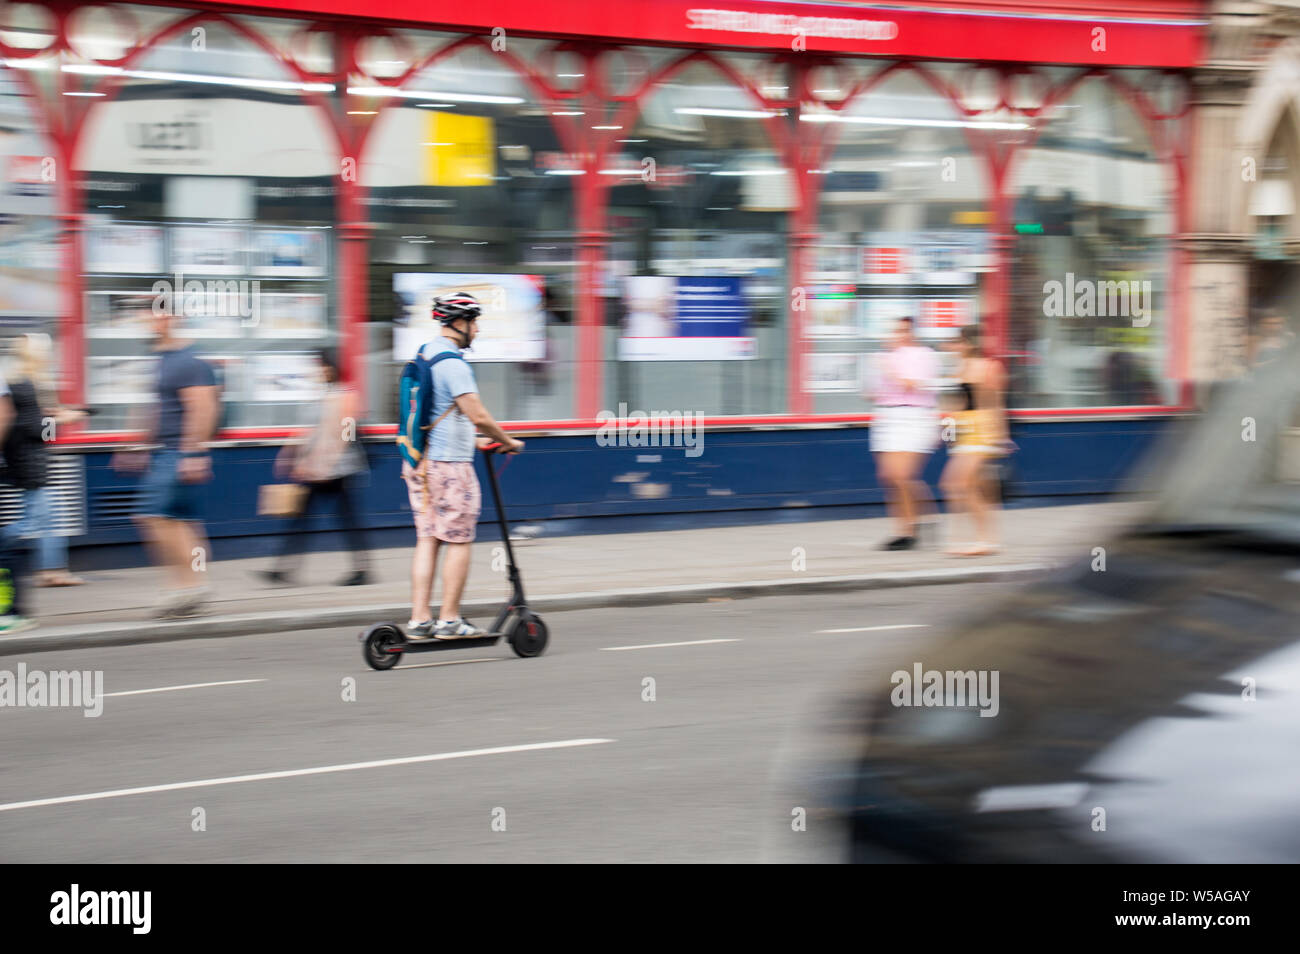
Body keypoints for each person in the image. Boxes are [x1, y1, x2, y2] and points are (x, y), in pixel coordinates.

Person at [403, 292, 523, 639]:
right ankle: (450, 620)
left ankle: (420, 619)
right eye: (473, 322)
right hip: (451, 469)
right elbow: (477, 414)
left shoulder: (426, 353)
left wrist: (474, 440)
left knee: (428, 540)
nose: (477, 329)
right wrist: (508, 441)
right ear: (459, 323)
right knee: (457, 541)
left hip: (421, 464)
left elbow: (437, 414)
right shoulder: (453, 363)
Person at [113, 309, 220, 618]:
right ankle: (195, 585)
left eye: (153, 316)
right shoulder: (163, 360)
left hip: (177, 453)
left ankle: (184, 587)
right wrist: (138, 444)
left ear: (170, 318)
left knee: (152, 516)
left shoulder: (188, 361)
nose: (147, 323)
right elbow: (157, 409)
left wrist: (193, 453)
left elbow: (203, 407)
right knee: (182, 522)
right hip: (166, 452)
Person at [260, 349, 370, 586]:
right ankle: (283, 568)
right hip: (320, 468)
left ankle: (362, 569)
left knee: (343, 519)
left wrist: (324, 465)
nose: (315, 372)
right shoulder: (323, 394)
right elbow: (310, 430)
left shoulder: (346, 395)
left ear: (329, 368)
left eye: (319, 367)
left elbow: (343, 435)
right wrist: (289, 452)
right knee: (304, 518)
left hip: (339, 470)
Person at [0, 334, 88, 588]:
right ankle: (50, 570)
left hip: (28, 458)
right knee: (35, 520)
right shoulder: (26, 384)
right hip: (30, 461)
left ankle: (51, 571)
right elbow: (35, 428)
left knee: (51, 516)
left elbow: (29, 422)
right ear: (37, 355)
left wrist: (54, 415)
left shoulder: (20, 382)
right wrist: (63, 421)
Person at [868, 317, 939, 550]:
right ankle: (903, 531)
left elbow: (912, 385)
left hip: (914, 415)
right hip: (888, 416)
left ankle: (924, 518)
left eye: (902, 330)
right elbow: (874, 392)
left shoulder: (923, 355)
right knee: (888, 476)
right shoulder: (886, 356)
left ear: (912, 332)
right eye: (894, 331)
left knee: (903, 475)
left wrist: (889, 370)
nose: (897, 335)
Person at [939, 325, 1009, 556]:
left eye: (957, 342)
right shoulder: (960, 368)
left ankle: (979, 540)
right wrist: (947, 433)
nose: (953, 347)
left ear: (969, 344)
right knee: (967, 487)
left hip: (981, 431)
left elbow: (996, 404)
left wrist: (1001, 437)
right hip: (963, 431)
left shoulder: (989, 367)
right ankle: (982, 540)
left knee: (955, 483)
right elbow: (956, 405)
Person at [0, 368, 31, 633]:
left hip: (32, 474)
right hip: (28, 472)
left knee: (6, 542)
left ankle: (11, 610)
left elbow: (4, 414)